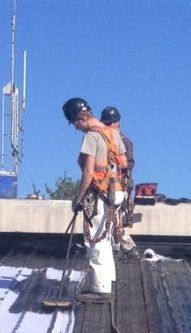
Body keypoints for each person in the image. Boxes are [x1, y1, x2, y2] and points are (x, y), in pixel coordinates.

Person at [62, 97, 128, 296]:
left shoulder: (91, 136)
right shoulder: (113, 132)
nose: (76, 128)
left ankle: (100, 289)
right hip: (117, 192)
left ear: (81, 118)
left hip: (101, 193)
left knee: (95, 241)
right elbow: (124, 163)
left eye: (75, 123)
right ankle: (109, 282)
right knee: (105, 238)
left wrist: (79, 199)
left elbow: (88, 173)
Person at [100, 105, 138, 254]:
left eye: (110, 124)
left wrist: (116, 161)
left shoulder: (125, 142)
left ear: (117, 124)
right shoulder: (103, 140)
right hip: (104, 185)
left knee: (115, 219)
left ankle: (126, 247)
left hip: (119, 186)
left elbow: (129, 165)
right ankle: (116, 247)